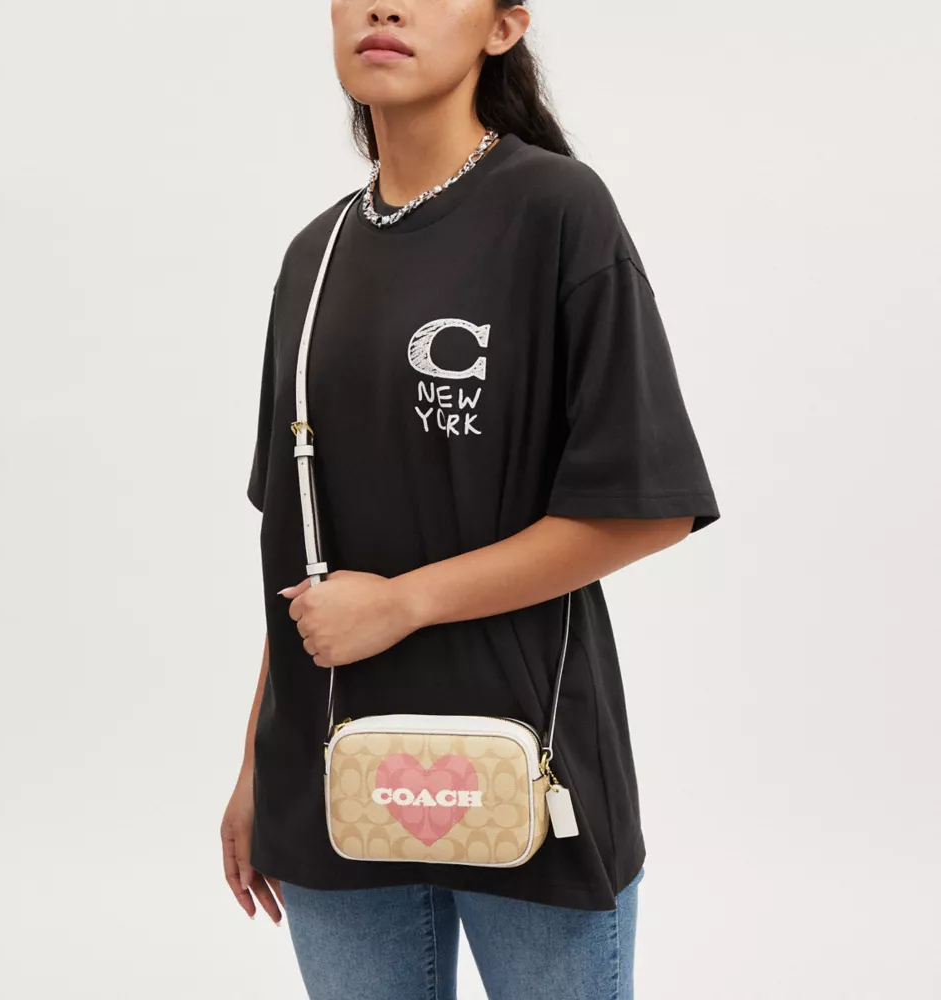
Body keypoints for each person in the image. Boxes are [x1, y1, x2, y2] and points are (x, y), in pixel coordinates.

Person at [221, 2, 720, 997]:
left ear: (503, 27)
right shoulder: (313, 258)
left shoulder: (556, 210)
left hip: (528, 773)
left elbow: (646, 504)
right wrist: (256, 766)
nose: (385, 6)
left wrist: (404, 603)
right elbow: (300, 551)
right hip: (330, 778)